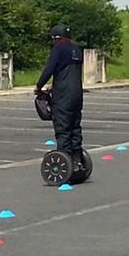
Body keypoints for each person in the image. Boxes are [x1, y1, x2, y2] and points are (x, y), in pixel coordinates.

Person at [35, 24, 85, 169]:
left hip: (63, 97)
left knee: (63, 128)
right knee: (75, 127)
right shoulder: (76, 49)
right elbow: (68, 73)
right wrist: (55, 84)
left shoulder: (58, 49)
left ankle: (66, 159)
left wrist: (39, 86)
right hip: (77, 94)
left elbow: (49, 68)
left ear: (56, 38)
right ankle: (77, 159)